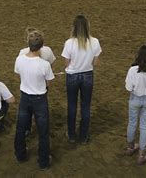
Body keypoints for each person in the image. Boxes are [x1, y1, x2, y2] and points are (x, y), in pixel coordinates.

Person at [14, 30, 54, 170]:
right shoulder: (45, 65)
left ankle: (20, 155)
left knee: (21, 127)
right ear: (41, 46)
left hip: (25, 97)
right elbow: (49, 83)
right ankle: (43, 161)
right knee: (43, 131)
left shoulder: (19, 59)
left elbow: (19, 74)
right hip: (40, 99)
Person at [61, 15, 102, 144]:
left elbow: (66, 63)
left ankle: (72, 134)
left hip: (72, 76)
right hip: (87, 76)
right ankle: (84, 136)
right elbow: (95, 63)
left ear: (73, 28)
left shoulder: (69, 43)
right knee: (86, 106)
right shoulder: (95, 42)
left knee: (72, 105)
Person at [18, 27, 56, 136]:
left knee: (25, 113)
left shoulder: (22, 54)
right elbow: (50, 67)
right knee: (42, 116)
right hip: (41, 90)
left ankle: (27, 129)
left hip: (26, 88)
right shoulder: (47, 51)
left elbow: (19, 72)